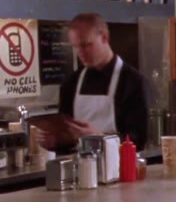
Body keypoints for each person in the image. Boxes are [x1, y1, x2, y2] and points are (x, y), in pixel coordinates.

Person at [37, 13, 149, 152]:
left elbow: (138, 141)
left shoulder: (132, 81)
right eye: (76, 47)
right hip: (80, 163)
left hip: (118, 164)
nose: (80, 52)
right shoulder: (71, 82)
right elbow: (67, 138)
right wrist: (55, 141)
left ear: (104, 37)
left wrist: (99, 138)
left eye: (86, 45)